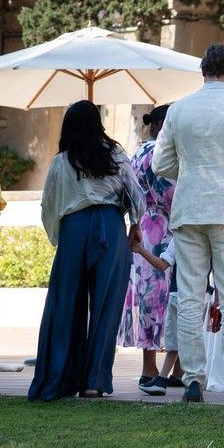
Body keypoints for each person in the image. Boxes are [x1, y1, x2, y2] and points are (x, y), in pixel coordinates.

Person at [154, 42, 224, 404]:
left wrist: (188, 176)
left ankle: (193, 381)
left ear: (202, 69)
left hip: (189, 206)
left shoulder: (178, 108)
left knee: (189, 298)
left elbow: (160, 164)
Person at [30, 99, 143, 402]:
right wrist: (135, 223)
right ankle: (93, 382)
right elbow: (137, 194)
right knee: (106, 307)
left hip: (74, 229)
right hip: (110, 224)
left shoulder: (61, 160)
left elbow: (49, 206)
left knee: (66, 304)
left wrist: (59, 237)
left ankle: (59, 379)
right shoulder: (116, 155)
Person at [123, 103, 182, 394]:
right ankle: (156, 369)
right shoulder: (161, 152)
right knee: (168, 297)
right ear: (161, 125)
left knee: (150, 297)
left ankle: (156, 365)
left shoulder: (138, 152)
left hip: (142, 226)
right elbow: (171, 193)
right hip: (164, 228)